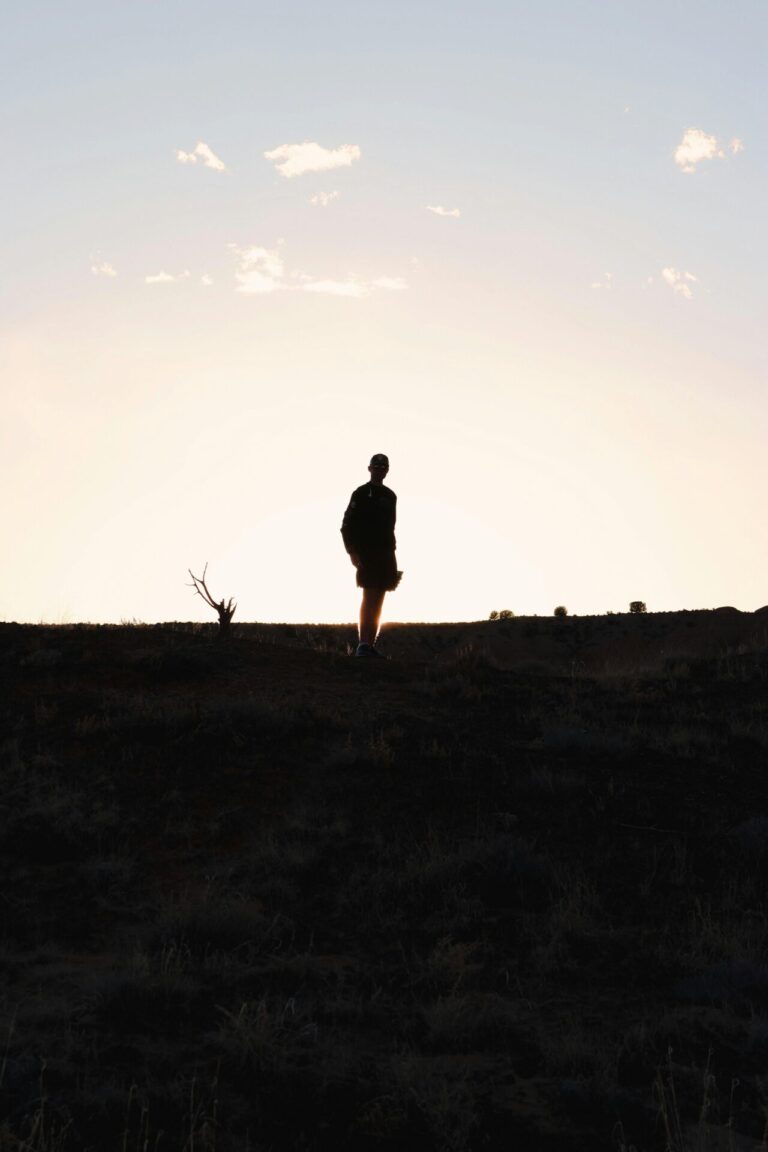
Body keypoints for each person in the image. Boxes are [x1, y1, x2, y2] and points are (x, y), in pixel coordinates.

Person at [341, 453, 402, 657]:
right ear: (369, 469)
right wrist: (352, 551)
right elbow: (346, 525)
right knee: (369, 596)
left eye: (383, 467)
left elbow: (391, 527)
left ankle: (370, 644)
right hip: (366, 553)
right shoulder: (360, 493)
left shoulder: (391, 496)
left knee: (380, 598)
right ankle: (363, 644)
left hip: (387, 553)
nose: (380, 470)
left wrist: (392, 553)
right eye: (376, 466)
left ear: (387, 470)